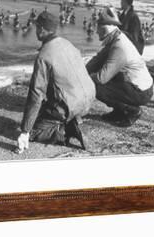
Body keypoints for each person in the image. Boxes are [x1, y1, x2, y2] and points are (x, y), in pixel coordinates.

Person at [17, 12, 95, 153]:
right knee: (42, 113)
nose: (35, 31)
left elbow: (36, 95)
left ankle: (66, 130)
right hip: (88, 101)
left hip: (71, 105)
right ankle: (71, 119)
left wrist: (25, 130)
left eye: (36, 28)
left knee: (34, 131)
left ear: (41, 29)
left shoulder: (44, 56)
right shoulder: (68, 44)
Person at [85, 10, 154, 127]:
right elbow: (98, 59)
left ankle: (131, 110)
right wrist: (83, 71)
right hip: (140, 86)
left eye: (99, 28)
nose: (96, 31)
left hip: (141, 92)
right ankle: (119, 112)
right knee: (102, 77)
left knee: (96, 86)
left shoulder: (119, 47)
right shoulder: (116, 38)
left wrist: (85, 78)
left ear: (106, 29)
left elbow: (102, 78)